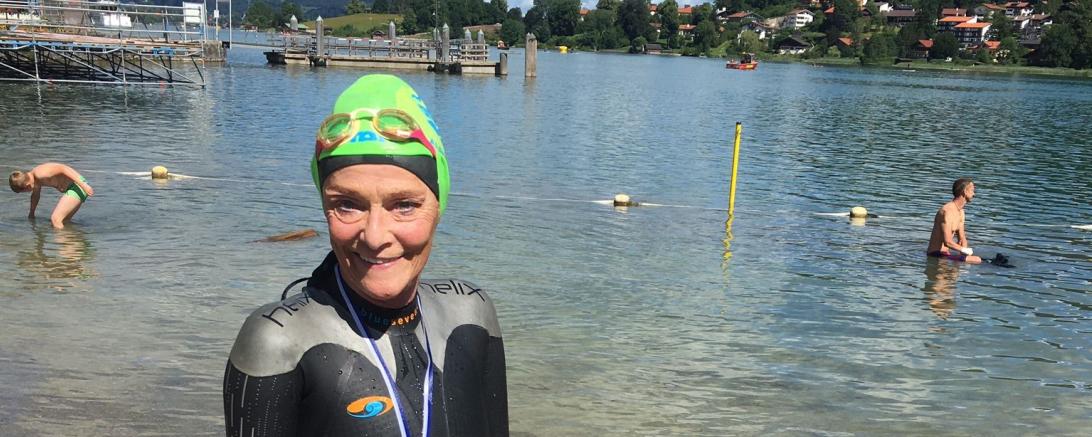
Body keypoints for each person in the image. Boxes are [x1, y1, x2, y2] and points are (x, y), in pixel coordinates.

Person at [223, 75, 508, 437]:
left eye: (404, 205)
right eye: (347, 205)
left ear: (439, 205)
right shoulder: (277, 342)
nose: (374, 237)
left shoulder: (472, 312)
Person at [8, 163, 94, 229]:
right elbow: (35, 196)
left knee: (55, 219)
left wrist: (84, 185)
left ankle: (64, 243)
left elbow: (63, 168)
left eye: (25, 191)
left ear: (27, 186)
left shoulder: (40, 173)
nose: (28, 192)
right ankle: (70, 248)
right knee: (64, 221)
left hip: (77, 187)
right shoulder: (35, 181)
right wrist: (31, 213)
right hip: (73, 189)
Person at [927, 178, 982, 264]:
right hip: (935, 254)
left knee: (978, 260)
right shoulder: (947, 211)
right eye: (972, 190)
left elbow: (962, 239)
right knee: (977, 260)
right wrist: (964, 250)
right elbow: (947, 242)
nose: (974, 194)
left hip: (946, 255)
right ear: (964, 191)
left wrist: (965, 255)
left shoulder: (961, 212)